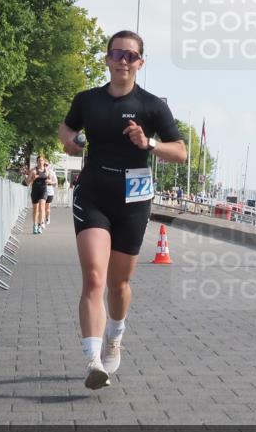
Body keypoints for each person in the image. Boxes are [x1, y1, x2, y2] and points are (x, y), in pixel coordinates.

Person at [58, 30, 187, 390]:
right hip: (94, 193)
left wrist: (149, 142)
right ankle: (93, 360)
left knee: (119, 283)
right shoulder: (88, 100)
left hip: (133, 199)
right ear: (107, 59)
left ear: (140, 63)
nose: (123, 61)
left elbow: (181, 152)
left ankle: (115, 335)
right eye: (117, 54)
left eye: (131, 56)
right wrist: (69, 142)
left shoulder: (152, 106)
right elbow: (66, 129)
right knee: (94, 278)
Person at [28, 155, 50, 234]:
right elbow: (27, 182)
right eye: (39, 160)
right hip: (35, 191)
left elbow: (50, 180)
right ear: (37, 162)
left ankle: (40, 225)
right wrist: (33, 178)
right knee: (35, 210)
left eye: (42, 160)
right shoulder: (33, 171)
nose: (40, 162)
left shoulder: (47, 171)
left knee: (41, 208)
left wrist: (48, 181)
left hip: (43, 191)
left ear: (44, 162)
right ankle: (35, 225)